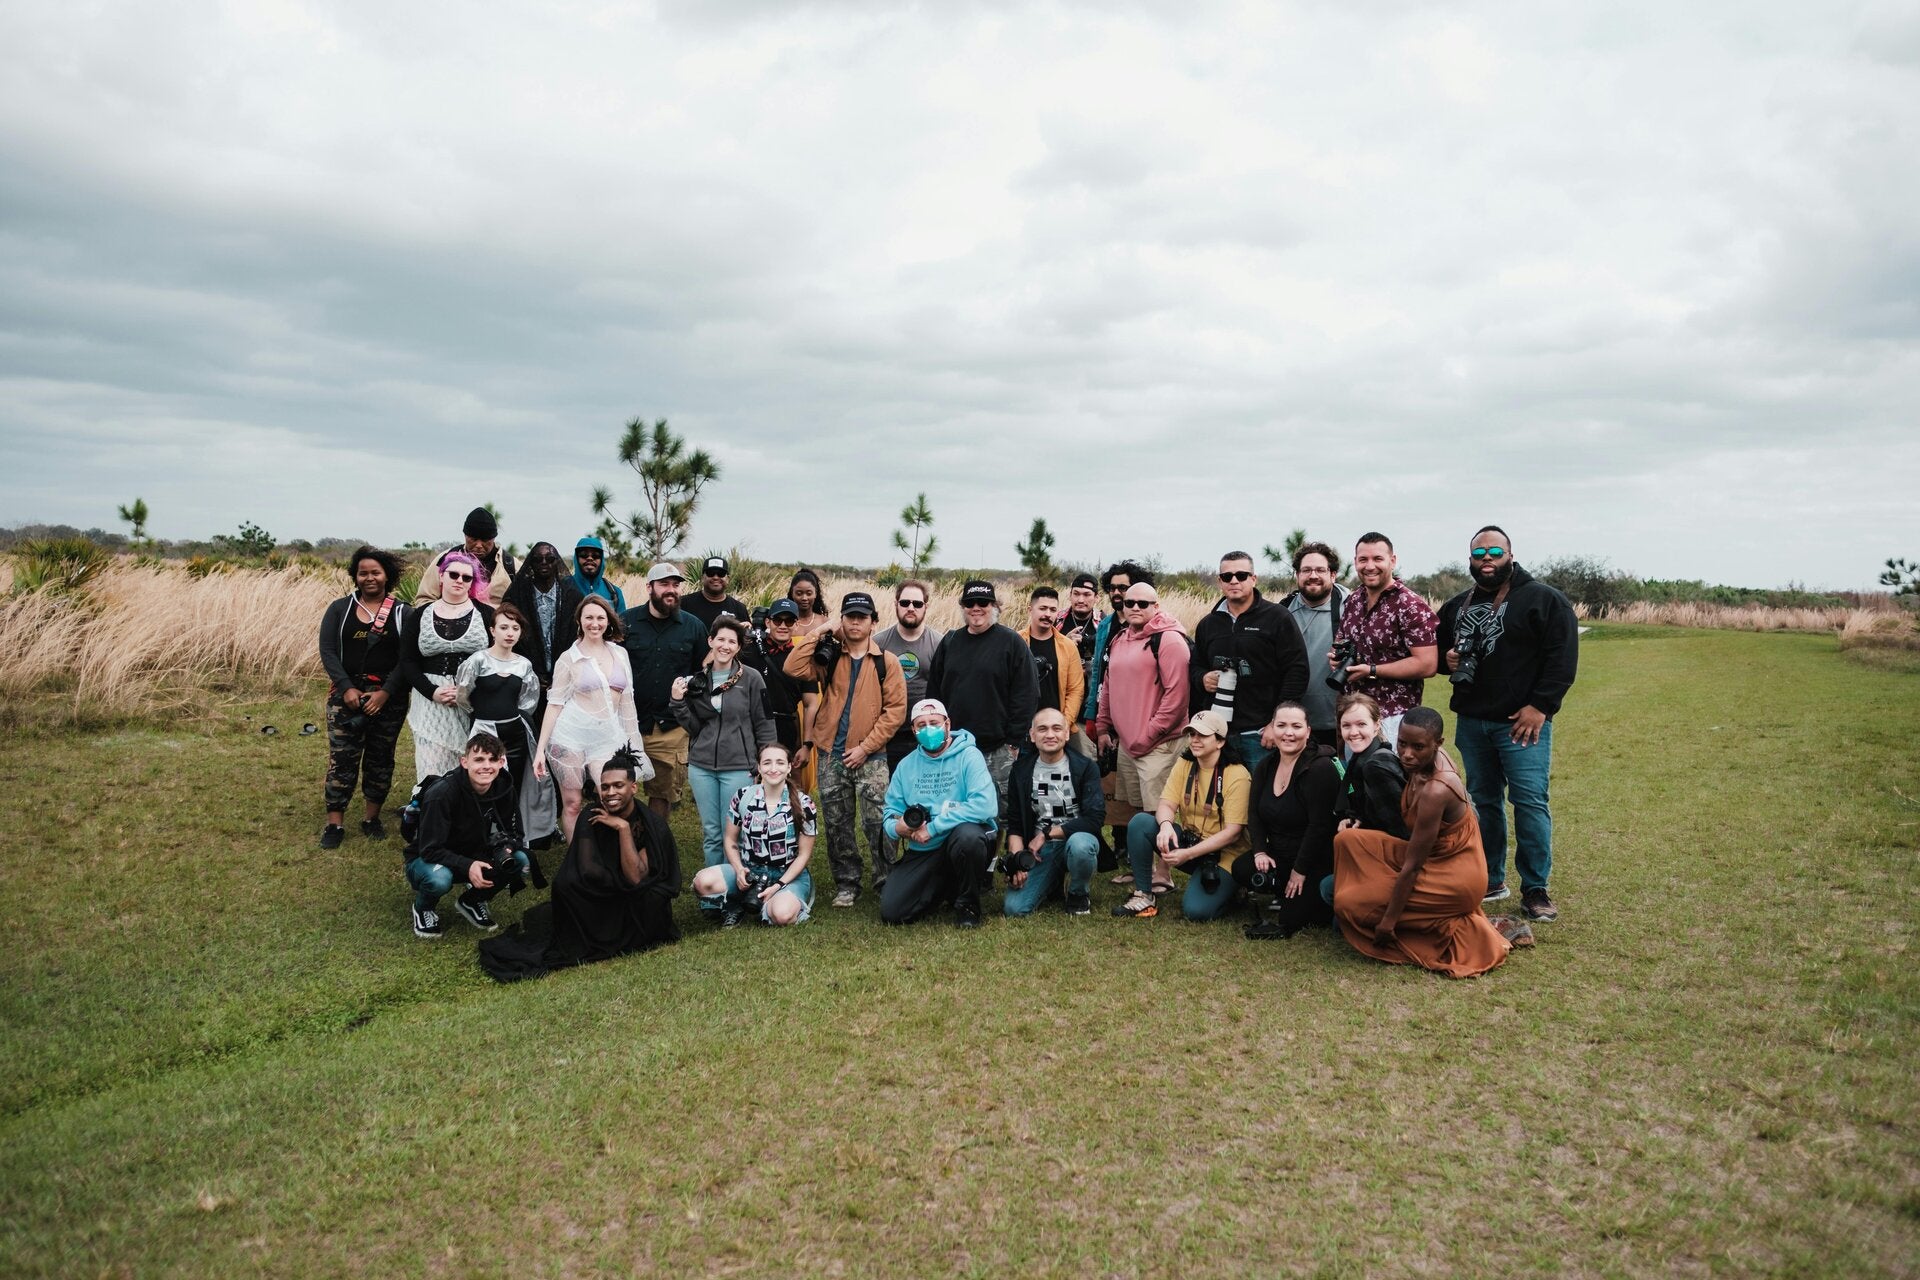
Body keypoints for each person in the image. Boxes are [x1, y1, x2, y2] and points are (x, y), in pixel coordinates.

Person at [1435, 525, 1579, 922]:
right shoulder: (1456, 605)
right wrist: (1446, 659)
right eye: (1479, 553)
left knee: (1529, 802)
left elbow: (1562, 657)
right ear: (1469, 559)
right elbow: (1436, 651)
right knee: (1483, 802)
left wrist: (1541, 707)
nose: (1487, 558)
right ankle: (1491, 878)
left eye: (1495, 552)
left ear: (1510, 555)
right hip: (1473, 720)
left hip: (1521, 723)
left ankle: (1536, 888)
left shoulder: (1544, 600)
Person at [1332, 707, 1519, 976]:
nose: (1407, 754)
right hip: (1433, 856)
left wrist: (1388, 922)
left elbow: (1413, 866)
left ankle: (1475, 931)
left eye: (1418, 747)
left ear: (1437, 744)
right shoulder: (1421, 762)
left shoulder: (1436, 790)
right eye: (1402, 744)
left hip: (1456, 876)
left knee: (1350, 903)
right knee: (1348, 840)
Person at [476, 748, 680, 980]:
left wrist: (623, 829)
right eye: (605, 787)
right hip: (604, 889)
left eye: (618, 786)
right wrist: (617, 886)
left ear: (633, 787)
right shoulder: (592, 814)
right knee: (565, 885)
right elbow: (587, 869)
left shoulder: (652, 825)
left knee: (653, 900)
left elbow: (635, 878)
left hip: (635, 893)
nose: (610, 793)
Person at [785, 593, 908, 907]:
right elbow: (793, 667)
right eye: (849, 616)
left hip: (872, 757)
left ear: (873, 622)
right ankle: (847, 883)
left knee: (878, 823)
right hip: (831, 754)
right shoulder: (828, 656)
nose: (855, 622)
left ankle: (886, 880)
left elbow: (895, 712)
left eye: (862, 617)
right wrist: (821, 630)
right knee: (837, 824)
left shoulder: (886, 662)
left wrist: (866, 748)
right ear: (841, 620)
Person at [1093, 578, 1190, 890]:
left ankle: (1164, 871)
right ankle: (1141, 869)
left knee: (1160, 810)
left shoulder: (1170, 641)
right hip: (1128, 744)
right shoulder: (1120, 638)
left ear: (1156, 606)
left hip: (1159, 744)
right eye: (1129, 602)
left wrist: (1147, 736)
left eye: (1143, 603)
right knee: (1137, 811)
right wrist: (1104, 726)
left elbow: (1177, 698)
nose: (1134, 607)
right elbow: (1108, 686)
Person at [1110, 710, 1249, 921]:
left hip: (1224, 854)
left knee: (1196, 912)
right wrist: (1166, 825)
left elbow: (1233, 833)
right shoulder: (1185, 763)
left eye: (1203, 735)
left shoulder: (1237, 775)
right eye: (1192, 734)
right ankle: (1144, 895)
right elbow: (1166, 803)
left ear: (1220, 742)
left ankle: (1234, 889)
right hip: (1190, 842)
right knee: (1141, 823)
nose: (1195, 740)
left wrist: (1188, 854)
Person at [925, 579, 1039, 832]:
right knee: (956, 810)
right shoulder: (950, 642)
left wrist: (1013, 741)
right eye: (970, 603)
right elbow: (934, 694)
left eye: (983, 603)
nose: (976, 608)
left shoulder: (1011, 642)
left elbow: (1027, 694)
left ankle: (1008, 854)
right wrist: (937, 736)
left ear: (994, 606)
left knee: (1003, 813)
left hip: (998, 749)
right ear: (962, 607)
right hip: (956, 748)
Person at [533, 596, 650, 841]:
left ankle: (614, 853)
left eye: (600, 618)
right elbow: (554, 704)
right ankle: (577, 857)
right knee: (573, 803)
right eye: (588, 617)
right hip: (570, 737)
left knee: (612, 798)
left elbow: (628, 702)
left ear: (608, 621)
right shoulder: (569, 658)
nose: (594, 623)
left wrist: (634, 743)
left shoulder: (620, 653)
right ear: (579, 621)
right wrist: (541, 750)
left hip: (607, 738)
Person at [317, 546, 409, 848]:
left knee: (380, 759)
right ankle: (334, 824)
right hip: (346, 697)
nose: (369, 578)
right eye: (363, 573)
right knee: (342, 759)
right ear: (355, 576)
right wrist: (346, 688)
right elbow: (328, 651)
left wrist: (385, 693)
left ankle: (371, 819)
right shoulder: (339, 610)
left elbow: (407, 658)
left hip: (388, 699)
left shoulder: (402, 613)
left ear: (387, 575)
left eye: (375, 573)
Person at [671, 615, 777, 872]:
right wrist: (678, 702)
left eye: (732, 642)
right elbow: (695, 727)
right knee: (712, 833)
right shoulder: (698, 680)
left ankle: (736, 883)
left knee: (735, 831)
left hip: (738, 767)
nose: (725, 646)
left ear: (738, 647)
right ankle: (714, 888)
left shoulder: (752, 679)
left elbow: (764, 722)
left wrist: (767, 762)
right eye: (721, 639)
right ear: (711, 641)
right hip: (702, 767)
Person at [880, 699, 998, 928]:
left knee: (968, 838)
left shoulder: (969, 755)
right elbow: (891, 812)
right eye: (921, 725)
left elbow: (985, 805)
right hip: (924, 847)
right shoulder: (906, 766)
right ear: (913, 730)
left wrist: (933, 828)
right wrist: (897, 827)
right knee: (892, 912)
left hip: (961, 837)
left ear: (947, 724)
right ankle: (946, 888)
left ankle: (968, 906)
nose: (928, 729)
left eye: (934, 723)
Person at [1189, 550, 1310, 771]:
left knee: (1262, 791)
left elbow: (1297, 671)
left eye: (1241, 575)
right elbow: (1195, 666)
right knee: (1222, 791)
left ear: (1253, 579)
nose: (1234, 581)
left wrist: (1276, 723)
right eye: (1227, 576)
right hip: (1219, 733)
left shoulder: (1277, 617)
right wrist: (1202, 678)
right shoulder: (1208, 624)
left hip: (1260, 734)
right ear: (1220, 581)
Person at [403, 732, 530, 938]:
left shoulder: (504, 787)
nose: (486, 766)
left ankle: (472, 901)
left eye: (492, 759)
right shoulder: (442, 794)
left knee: (519, 860)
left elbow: (517, 833)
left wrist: (505, 848)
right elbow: (429, 849)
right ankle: (423, 908)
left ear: (501, 762)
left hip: (473, 852)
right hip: (427, 858)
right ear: (464, 762)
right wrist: (468, 865)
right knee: (439, 880)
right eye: (479, 759)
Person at [455, 602, 555, 847]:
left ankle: (515, 836)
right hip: (486, 732)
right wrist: (480, 718)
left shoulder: (524, 665)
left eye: (515, 628)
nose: (510, 633)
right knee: (487, 783)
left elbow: (528, 700)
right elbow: (463, 696)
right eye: (504, 627)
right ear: (492, 630)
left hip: (515, 734)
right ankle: (485, 836)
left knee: (515, 784)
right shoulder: (477, 661)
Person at [1238, 702, 1341, 939]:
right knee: (1242, 868)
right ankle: (1286, 890)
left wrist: (1299, 871)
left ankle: (1315, 897)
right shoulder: (1266, 765)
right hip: (1281, 853)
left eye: (1296, 726)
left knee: (1290, 919)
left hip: (1314, 859)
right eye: (1281, 725)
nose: (1288, 733)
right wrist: (1260, 851)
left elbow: (1319, 827)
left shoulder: (1320, 768)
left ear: (1308, 731)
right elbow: (1254, 813)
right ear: (1272, 729)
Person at [690, 742, 818, 928]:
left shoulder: (804, 804)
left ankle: (771, 902)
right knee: (703, 882)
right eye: (767, 763)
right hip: (750, 870)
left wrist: (778, 885)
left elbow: (804, 855)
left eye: (780, 763)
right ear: (759, 767)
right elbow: (730, 839)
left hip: (787, 874)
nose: (773, 768)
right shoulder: (743, 796)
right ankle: (738, 904)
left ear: (789, 767)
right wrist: (739, 869)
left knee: (782, 915)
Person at [620, 562, 710, 818]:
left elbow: (703, 673)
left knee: (662, 794)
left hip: (671, 726)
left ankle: (654, 839)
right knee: (618, 788)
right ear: (649, 587)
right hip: (627, 722)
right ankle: (623, 835)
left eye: (676, 585)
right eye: (664, 584)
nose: (671, 590)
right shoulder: (626, 622)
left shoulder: (693, 627)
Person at [1330, 532, 1438, 746]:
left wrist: (1372, 670)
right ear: (1355, 562)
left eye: (1377, 558)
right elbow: (1342, 641)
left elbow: (1427, 664)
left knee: (1389, 768)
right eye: (1363, 559)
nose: (1370, 566)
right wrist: (1337, 659)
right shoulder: (1354, 600)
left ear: (1392, 561)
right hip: (1353, 714)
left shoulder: (1410, 605)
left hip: (1393, 717)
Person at [397, 550, 494, 781]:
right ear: (441, 576)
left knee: (472, 759)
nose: (459, 580)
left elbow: (496, 658)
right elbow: (407, 660)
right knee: (432, 762)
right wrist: (432, 691)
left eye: (466, 577)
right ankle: (432, 800)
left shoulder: (486, 614)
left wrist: (469, 690)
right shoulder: (420, 615)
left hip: (474, 698)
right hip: (431, 699)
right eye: (454, 574)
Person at [1002, 709, 1106, 917]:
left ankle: (1078, 893)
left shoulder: (1085, 767)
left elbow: (1094, 819)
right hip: (1040, 852)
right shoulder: (1021, 770)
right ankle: (1053, 882)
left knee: (1081, 846)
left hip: (1075, 839)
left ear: (1066, 734)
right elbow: (1015, 824)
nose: (1050, 734)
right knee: (1014, 909)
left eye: (1056, 728)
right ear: (1032, 735)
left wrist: (1046, 834)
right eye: (1042, 729)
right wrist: (1017, 862)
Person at [1280, 541, 1351, 747]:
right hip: (1293, 725)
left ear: (1333, 575)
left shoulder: (1351, 610)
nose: (1313, 575)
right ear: (1297, 575)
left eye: (1320, 570)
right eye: (1306, 570)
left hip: (1341, 724)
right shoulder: (1283, 611)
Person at [501, 541, 584, 715]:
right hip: (525, 677)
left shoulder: (572, 596)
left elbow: (579, 638)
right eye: (538, 559)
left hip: (565, 679)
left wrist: (562, 673)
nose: (544, 563)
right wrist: (531, 672)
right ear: (531, 564)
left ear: (557, 562)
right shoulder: (517, 595)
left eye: (550, 559)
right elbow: (508, 639)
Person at [873, 580, 943, 771]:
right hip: (888, 735)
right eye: (905, 603)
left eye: (917, 604)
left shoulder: (940, 644)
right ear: (896, 604)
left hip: (927, 734)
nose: (911, 608)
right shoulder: (878, 643)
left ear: (926, 606)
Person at [740, 597, 814, 763]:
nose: (783, 626)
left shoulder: (802, 657)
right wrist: (734, 632)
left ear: (796, 624)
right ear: (768, 622)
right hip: (752, 725)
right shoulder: (749, 650)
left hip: (787, 726)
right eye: (777, 620)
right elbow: (712, 664)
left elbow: (810, 704)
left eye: (789, 621)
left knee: (786, 775)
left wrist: (807, 745)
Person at [1017, 585, 1087, 728]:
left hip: (1056, 727)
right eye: (1043, 608)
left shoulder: (1068, 646)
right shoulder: (1015, 642)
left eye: (1053, 610)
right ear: (1030, 610)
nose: (1048, 614)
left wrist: (1064, 724)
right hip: (1021, 726)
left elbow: (1075, 689)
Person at [416, 507, 515, 606]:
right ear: (465, 536)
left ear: (493, 538)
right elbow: (424, 600)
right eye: (473, 539)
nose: (479, 545)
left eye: (485, 540)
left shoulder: (512, 567)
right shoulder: (444, 561)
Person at [683, 555, 750, 629]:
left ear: (728, 579)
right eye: (710, 573)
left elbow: (747, 634)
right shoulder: (684, 603)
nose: (715, 577)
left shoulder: (739, 609)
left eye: (721, 574)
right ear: (702, 578)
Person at [569, 536, 627, 613]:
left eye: (595, 556)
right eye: (584, 555)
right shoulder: (563, 587)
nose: (590, 558)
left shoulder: (614, 593)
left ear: (601, 559)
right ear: (576, 558)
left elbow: (622, 620)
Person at [786, 567, 831, 637]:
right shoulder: (784, 623)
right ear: (792, 593)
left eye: (809, 593)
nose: (804, 598)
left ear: (815, 594)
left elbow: (847, 641)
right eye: (799, 593)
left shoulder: (825, 623)